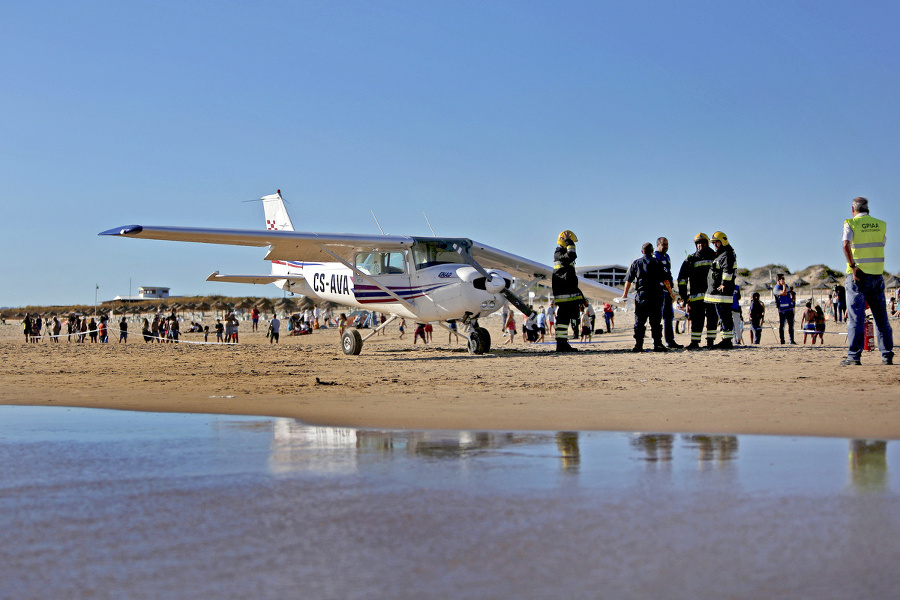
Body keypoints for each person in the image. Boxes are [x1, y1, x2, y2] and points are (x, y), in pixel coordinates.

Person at [840, 196, 893, 365]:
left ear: (853, 209)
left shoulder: (850, 223)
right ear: (867, 209)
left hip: (857, 275)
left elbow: (845, 244)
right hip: (877, 275)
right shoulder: (881, 224)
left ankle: (854, 356)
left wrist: (853, 265)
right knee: (881, 317)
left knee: (856, 317)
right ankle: (887, 355)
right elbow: (881, 244)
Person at [622, 242, 677, 352]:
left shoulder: (636, 263)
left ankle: (638, 345)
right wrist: (671, 293)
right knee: (656, 323)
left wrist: (625, 294)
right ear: (652, 252)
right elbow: (665, 280)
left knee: (639, 322)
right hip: (656, 297)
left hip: (641, 297)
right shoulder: (657, 262)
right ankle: (657, 345)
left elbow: (628, 281)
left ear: (642, 251)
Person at [677, 233, 717, 349]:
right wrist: (684, 296)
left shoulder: (715, 257)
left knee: (712, 319)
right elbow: (682, 279)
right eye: (698, 244)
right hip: (696, 298)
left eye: (703, 243)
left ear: (707, 243)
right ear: (696, 245)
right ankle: (695, 342)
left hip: (712, 296)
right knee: (696, 321)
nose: (701, 246)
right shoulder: (690, 260)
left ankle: (710, 342)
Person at [551, 230, 584, 352]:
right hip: (565, 293)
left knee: (565, 320)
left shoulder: (561, 254)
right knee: (563, 319)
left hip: (567, 292)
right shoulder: (559, 253)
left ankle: (562, 343)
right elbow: (572, 255)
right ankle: (561, 344)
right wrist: (569, 241)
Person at [705, 231, 737, 349]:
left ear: (723, 241)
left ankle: (727, 341)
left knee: (724, 317)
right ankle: (726, 340)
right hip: (718, 293)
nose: (715, 245)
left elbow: (727, 271)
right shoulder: (722, 255)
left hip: (722, 293)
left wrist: (724, 284)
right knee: (723, 317)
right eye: (713, 243)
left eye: (716, 242)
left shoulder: (726, 255)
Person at [654, 237, 682, 348]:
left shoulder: (667, 257)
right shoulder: (655, 257)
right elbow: (661, 276)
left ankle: (670, 341)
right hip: (659, 291)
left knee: (669, 316)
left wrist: (672, 290)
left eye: (667, 244)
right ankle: (657, 342)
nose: (665, 246)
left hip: (668, 291)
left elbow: (669, 275)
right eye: (663, 244)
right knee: (656, 318)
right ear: (658, 245)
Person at [773, 274, 796, 345]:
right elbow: (784, 293)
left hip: (789, 308)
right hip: (782, 310)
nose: (783, 281)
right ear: (778, 280)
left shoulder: (786, 286)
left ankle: (791, 340)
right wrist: (783, 285)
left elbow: (788, 292)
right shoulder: (776, 289)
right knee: (782, 325)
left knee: (791, 325)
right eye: (782, 279)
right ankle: (782, 340)